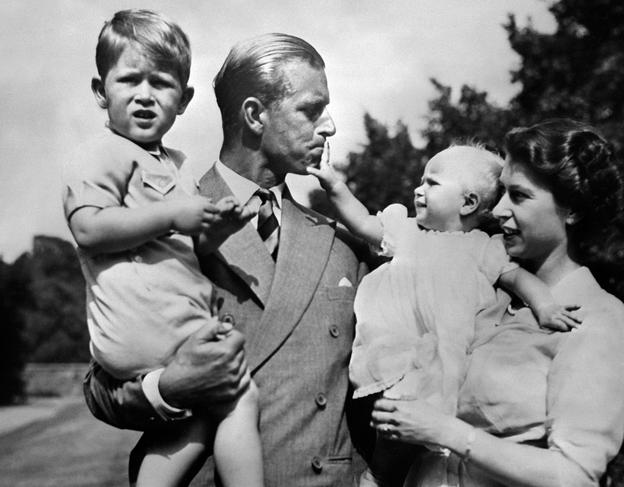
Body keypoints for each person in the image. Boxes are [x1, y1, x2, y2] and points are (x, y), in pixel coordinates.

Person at [81, 32, 370, 486]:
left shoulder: (342, 247)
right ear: (255, 115)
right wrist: (170, 386)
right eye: (312, 109)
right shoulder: (158, 222)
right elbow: (100, 388)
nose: (330, 126)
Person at [370, 119, 624, 487]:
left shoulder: (599, 321)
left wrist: (448, 432)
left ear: (571, 210)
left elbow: (575, 475)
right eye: (500, 194)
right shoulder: (488, 296)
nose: (497, 210)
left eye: (519, 195)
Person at [62, 10, 264, 487]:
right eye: (129, 80)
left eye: (162, 84)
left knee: (203, 412)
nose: (145, 95)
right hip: (144, 328)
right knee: (239, 395)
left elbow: (187, 245)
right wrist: (174, 214)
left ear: (184, 99)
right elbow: (88, 229)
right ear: (100, 91)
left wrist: (216, 229)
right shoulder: (101, 153)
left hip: (168, 325)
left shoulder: (174, 166)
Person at [308, 143, 580, 486]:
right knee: (395, 428)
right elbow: (363, 222)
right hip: (396, 353)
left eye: (432, 183)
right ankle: (378, 475)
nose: (418, 189)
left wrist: (546, 305)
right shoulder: (407, 233)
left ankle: (389, 475)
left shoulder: (484, 248)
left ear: (468, 202)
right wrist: (333, 184)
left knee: (424, 437)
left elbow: (519, 279)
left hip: (444, 363)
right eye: (421, 181)